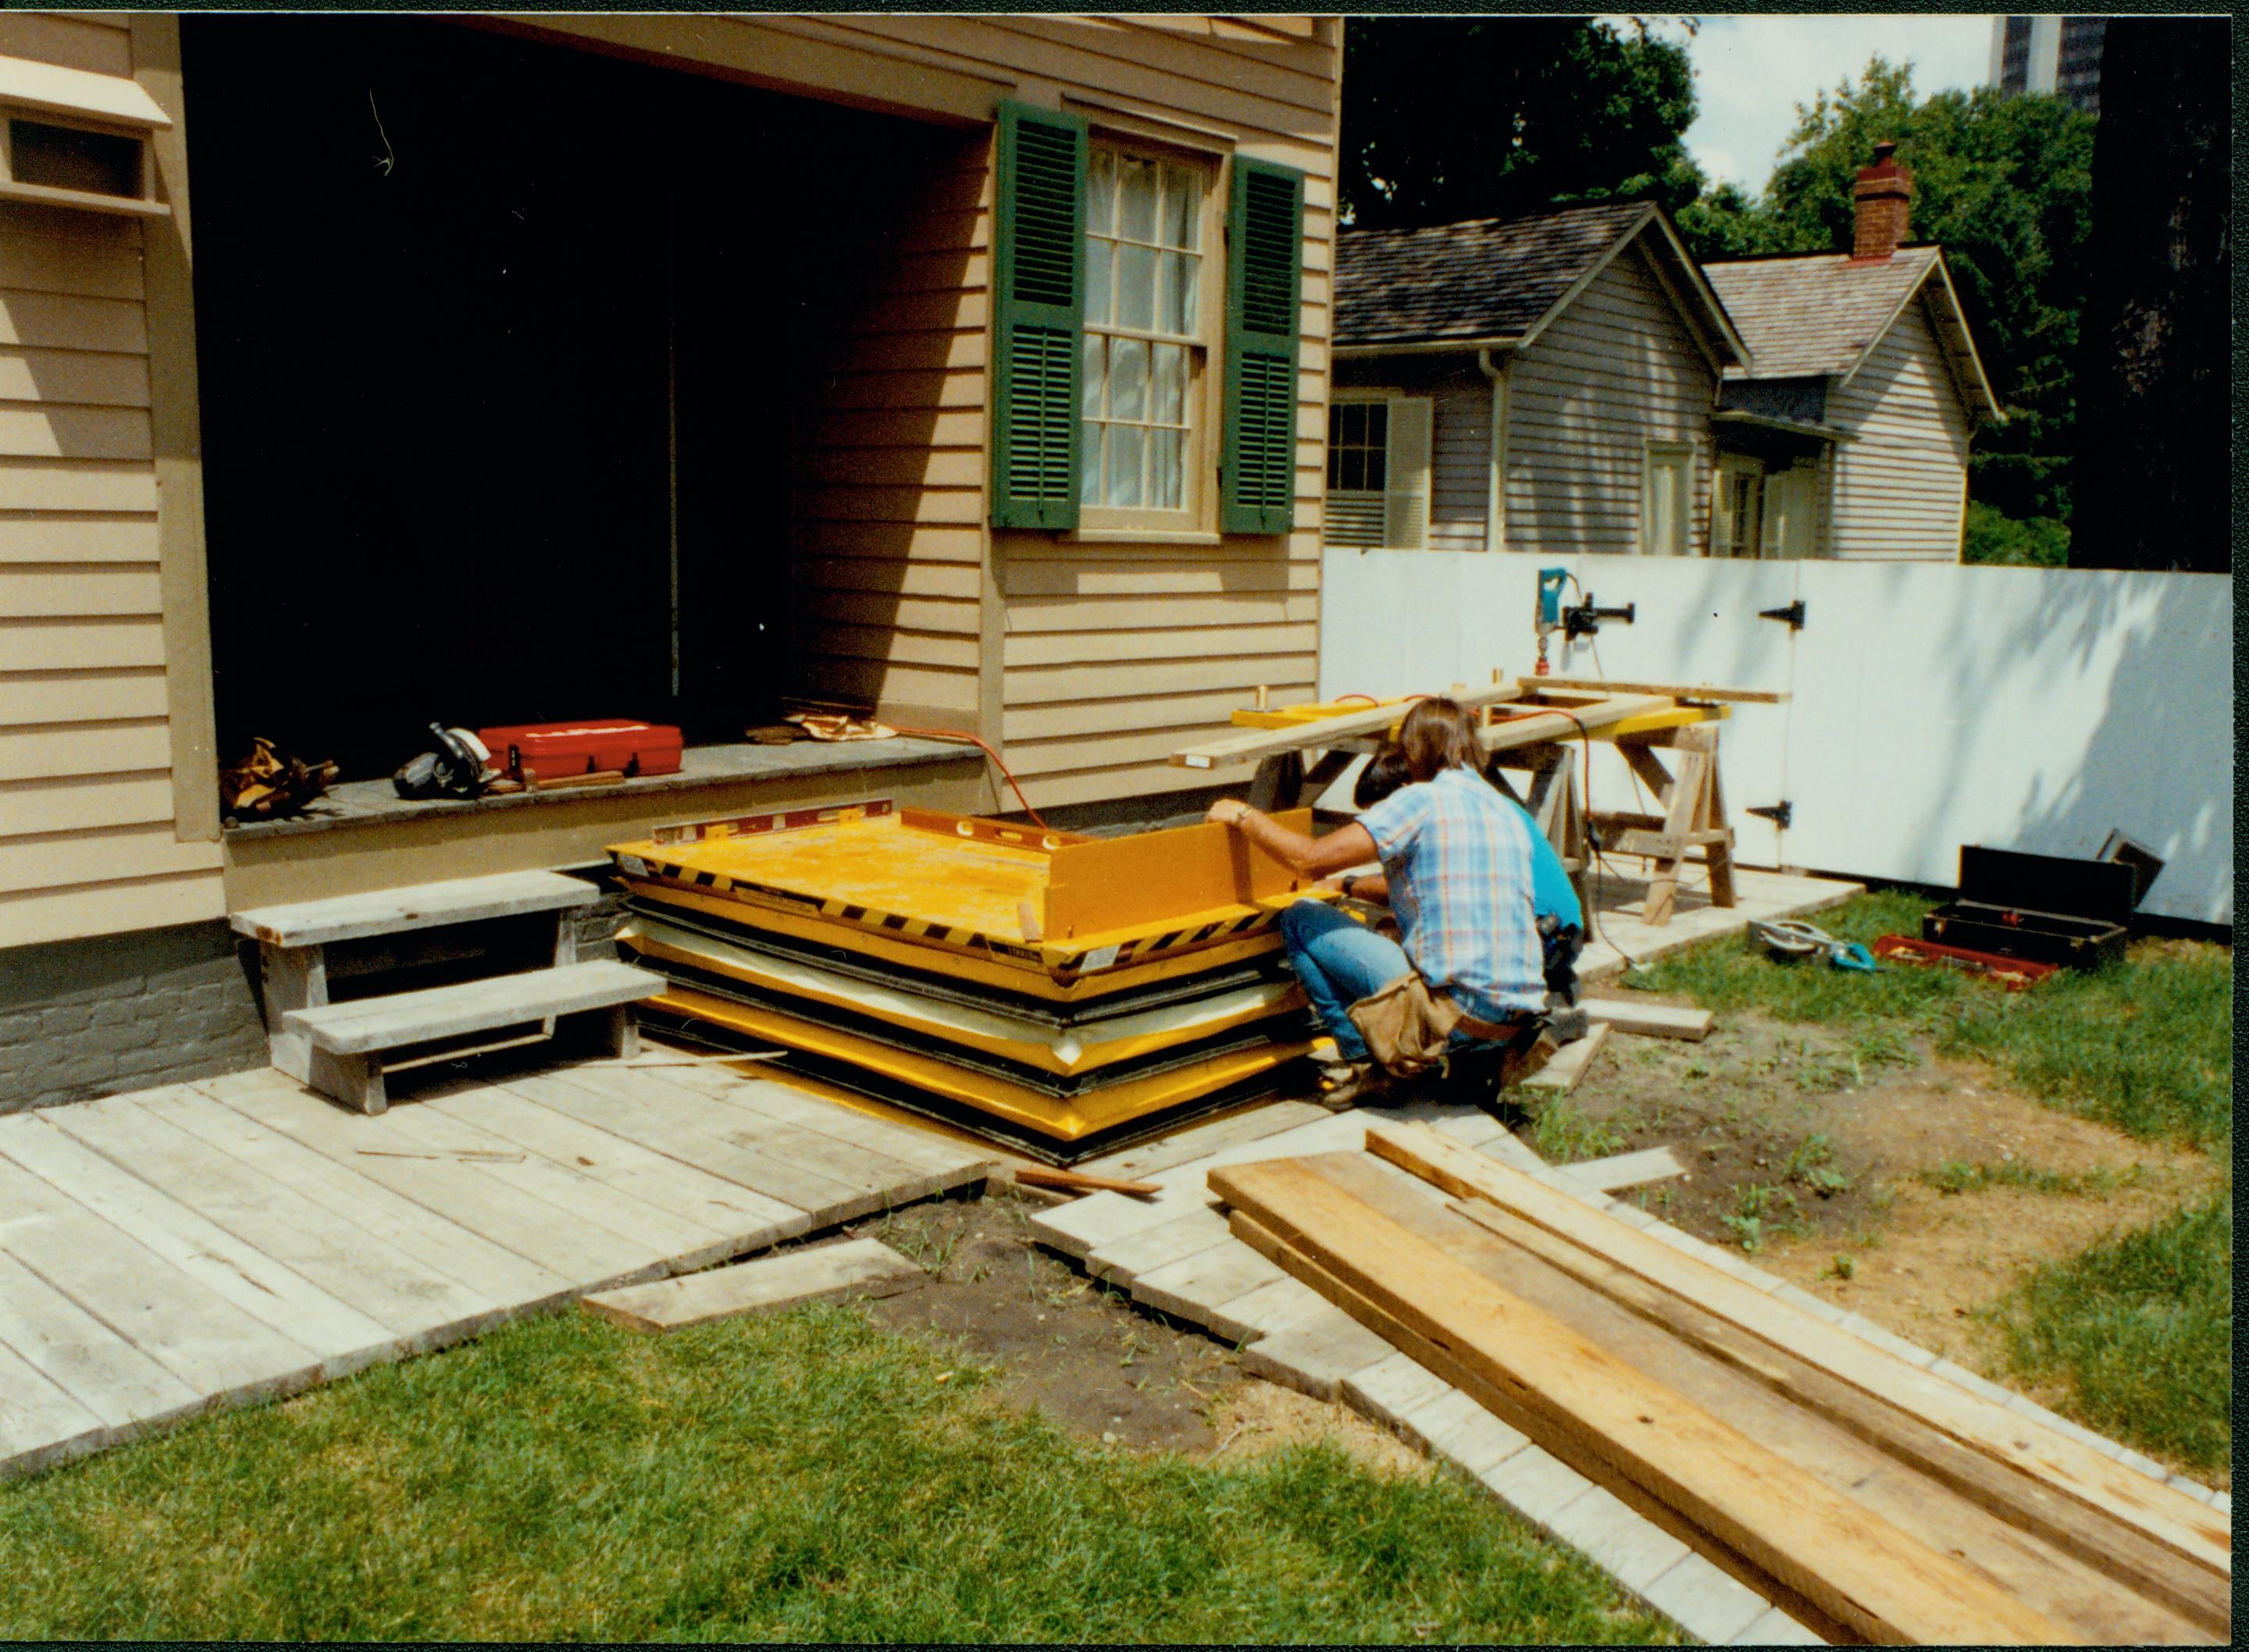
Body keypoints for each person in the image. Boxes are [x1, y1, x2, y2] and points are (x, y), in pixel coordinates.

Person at [1206, 697, 1550, 1106]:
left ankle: (1371, 1066)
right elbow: (1431, 888)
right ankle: (1470, 1064)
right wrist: (1348, 883)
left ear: (1415, 750)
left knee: (1300, 918)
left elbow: (1309, 860)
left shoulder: (1420, 800)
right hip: (1512, 1021)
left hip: (1456, 1017)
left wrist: (1244, 815)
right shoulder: (1505, 810)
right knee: (1392, 927)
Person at [1353, 741, 1584, 1009]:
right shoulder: (1479, 801)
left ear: (1404, 793)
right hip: (1562, 935)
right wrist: (1348, 884)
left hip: (1542, 935)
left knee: (1391, 934)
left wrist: (1344, 884)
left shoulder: (1435, 808)